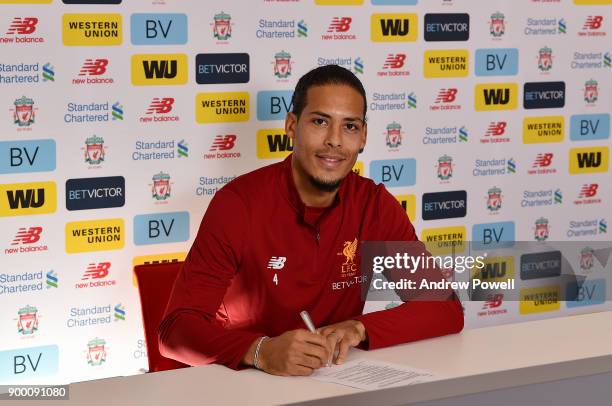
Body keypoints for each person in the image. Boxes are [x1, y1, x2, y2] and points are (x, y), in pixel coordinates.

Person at [158, 65, 464, 376]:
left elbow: (445, 308)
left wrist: (359, 328)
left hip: (333, 383)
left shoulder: (374, 204)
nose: (335, 140)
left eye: (350, 126)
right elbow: (175, 331)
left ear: (363, 137)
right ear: (292, 126)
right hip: (244, 382)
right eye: (320, 122)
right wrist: (261, 350)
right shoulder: (238, 204)